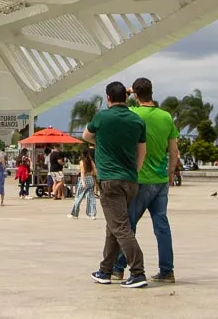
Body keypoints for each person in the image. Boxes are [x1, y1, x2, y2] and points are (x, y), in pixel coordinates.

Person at [112, 78, 179, 283]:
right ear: (152, 92)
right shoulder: (166, 117)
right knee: (162, 226)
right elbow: (174, 150)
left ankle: (119, 267)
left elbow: (120, 106)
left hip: (139, 179)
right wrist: (170, 173)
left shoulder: (133, 114)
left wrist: (127, 92)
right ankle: (167, 270)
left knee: (128, 225)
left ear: (135, 94)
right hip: (160, 179)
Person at [84, 81, 148, 288]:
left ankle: (138, 272)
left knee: (121, 228)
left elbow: (86, 136)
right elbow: (142, 152)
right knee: (113, 227)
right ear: (126, 97)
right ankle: (105, 270)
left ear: (108, 97)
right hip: (130, 181)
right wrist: (134, 173)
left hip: (110, 181)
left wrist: (102, 142)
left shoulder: (102, 117)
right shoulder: (137, 120)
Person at [70, 149, 98, 219]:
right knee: (91, 198)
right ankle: (92, 214)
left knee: (78, 197)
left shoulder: (82, 162)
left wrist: (82, 182)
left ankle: (75, 214)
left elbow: (82, 173)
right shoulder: (91, 161)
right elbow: (95, 172)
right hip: (91, 179)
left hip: (84, 179)